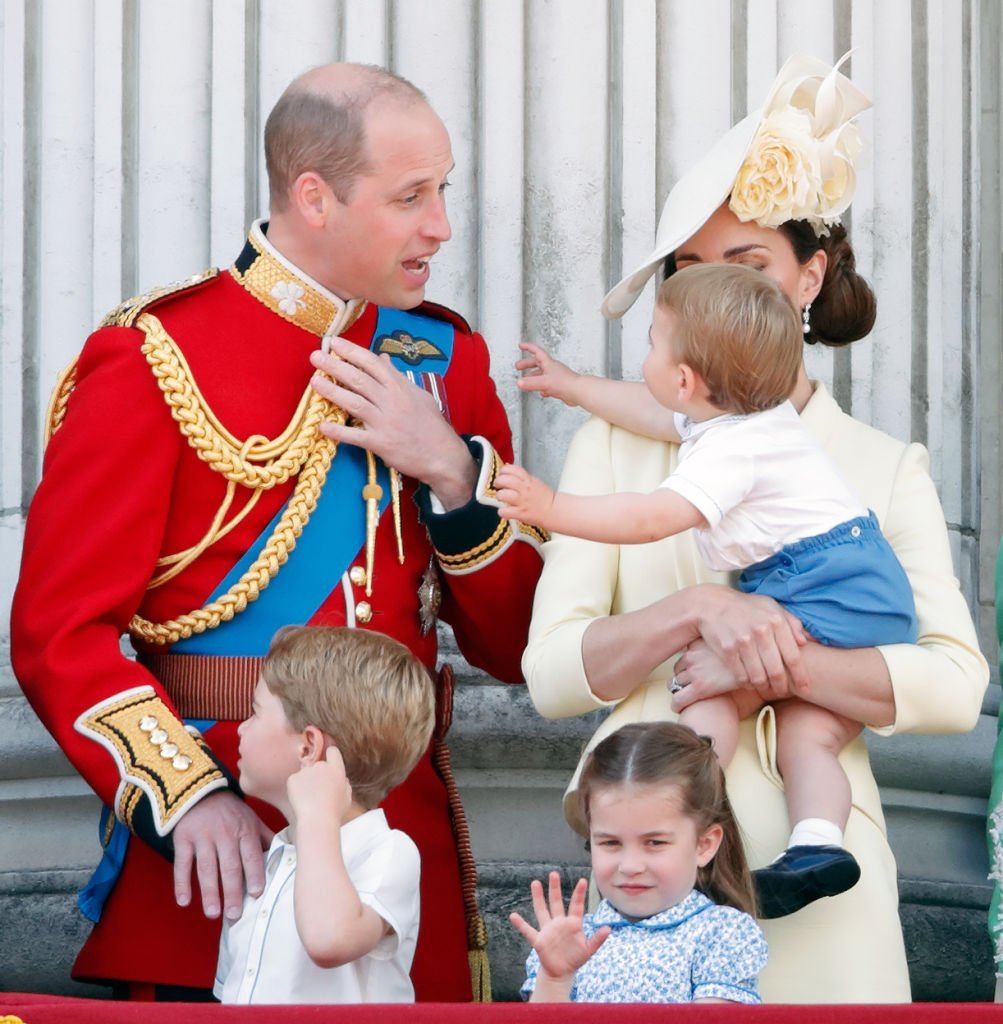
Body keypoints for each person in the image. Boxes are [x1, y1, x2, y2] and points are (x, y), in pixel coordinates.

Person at [10, 63, 544, 1002]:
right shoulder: (151, 360)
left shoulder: (446, 363)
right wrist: (187, 799)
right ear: (314, 197)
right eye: (411, 197)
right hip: (224, 858)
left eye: (442, 191)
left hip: (392, 861)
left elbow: (513, 646)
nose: (441, 228)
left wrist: (455, 476)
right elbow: (61, 634)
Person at [521, 54, 988, 1002]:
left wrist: (770, 664)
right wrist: (697, 610)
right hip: (642, 892)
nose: (711, 299)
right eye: (685, 273)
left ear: (808, 278)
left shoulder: (881, 465)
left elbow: (950, 684)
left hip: (824, 900)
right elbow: (552, 676)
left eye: (747, 267)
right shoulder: (615, 450)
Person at [499, 262, 918, 918]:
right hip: (861, 587)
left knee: (710, 685)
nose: (645, 358)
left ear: (687, 380)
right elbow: (649, 410)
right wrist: (574, 387)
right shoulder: (745, 415)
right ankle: (817, 845)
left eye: (650, 343)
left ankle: (683, 815)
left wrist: (550, 505)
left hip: (821, 583)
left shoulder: (731, 453)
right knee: (807, 735)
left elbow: (647, 517)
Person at [214, 626, 434, 1004]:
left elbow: (329, 939)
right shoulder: (270, 863)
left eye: (255, 712)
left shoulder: (388, 852)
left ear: (309, 746)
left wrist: (316, 817)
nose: (241, 728)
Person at [510, 722, 767, 1003]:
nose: (630, 866)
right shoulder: (570, 939)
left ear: (704, 845)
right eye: (610, 843)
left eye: (655, 843)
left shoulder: (722, 933)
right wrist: (554, 979)